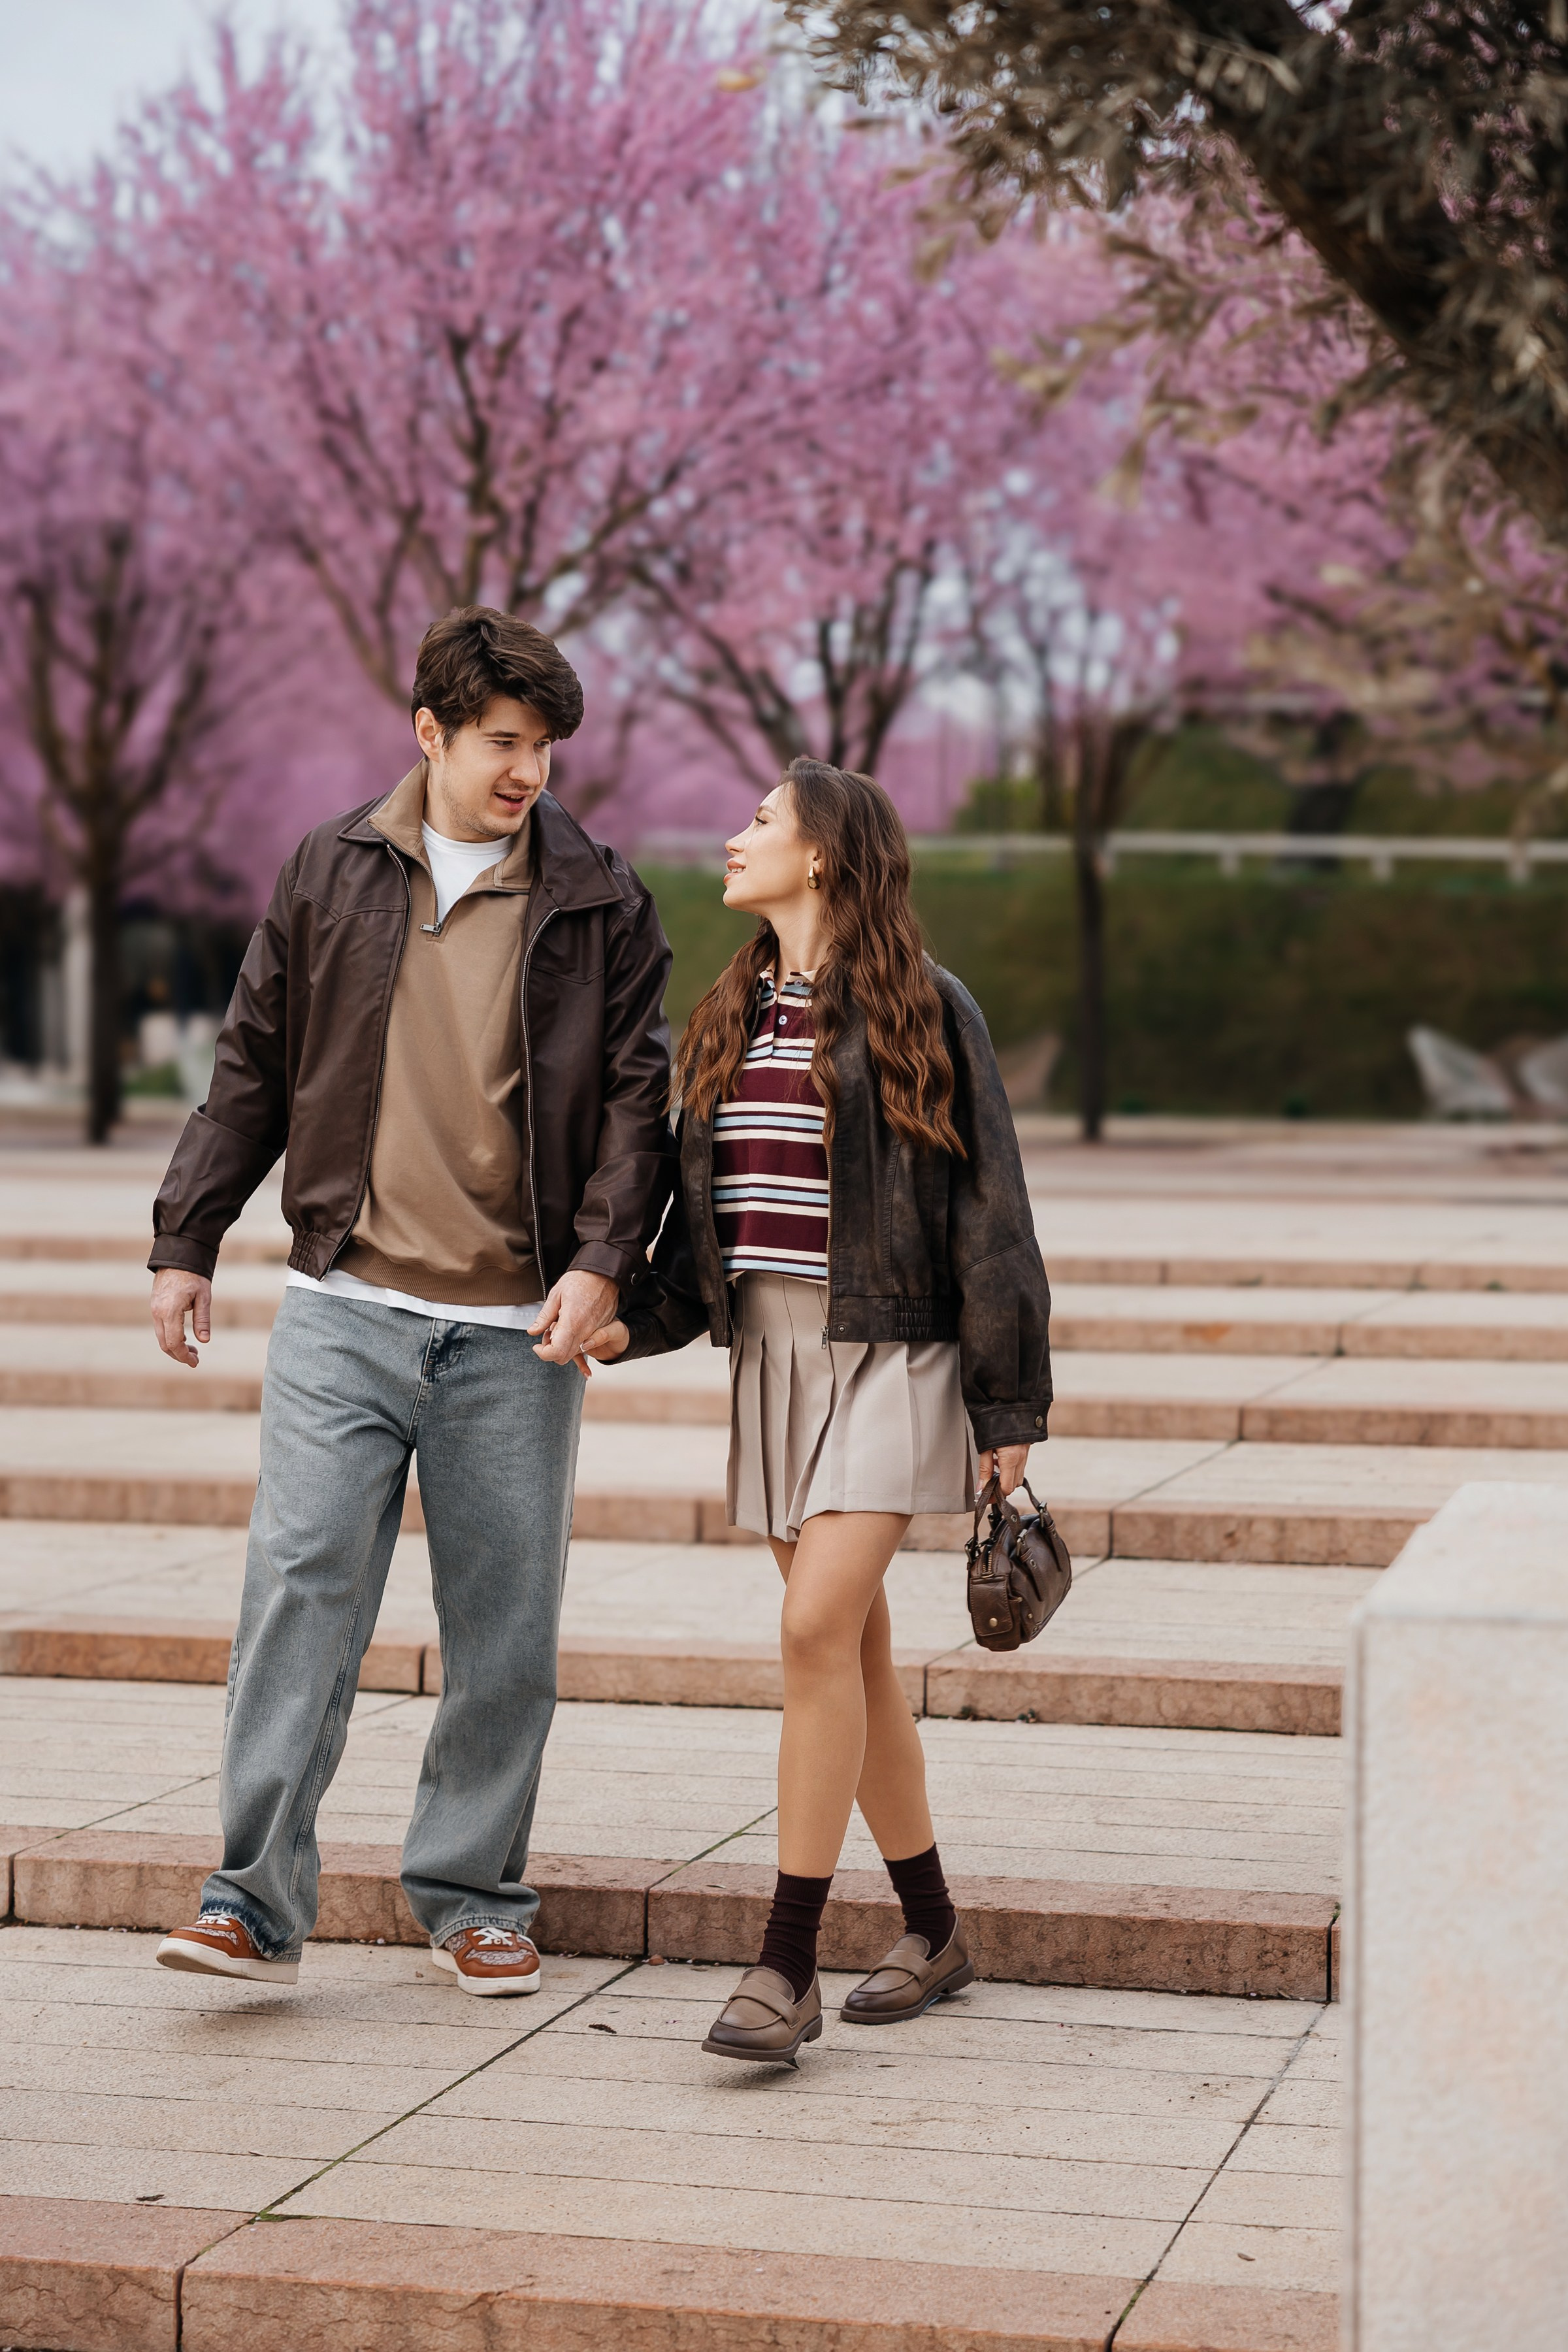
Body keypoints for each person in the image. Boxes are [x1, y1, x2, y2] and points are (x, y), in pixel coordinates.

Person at [145, 605, 673, 1995]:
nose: (529, 774)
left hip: (517, 1329)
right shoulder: (332, 869)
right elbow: (255, 1057)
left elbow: (636, 1102)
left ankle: (475, 1893)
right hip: (346, 1306)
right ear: (430, 733)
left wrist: (603, 1258)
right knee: (299, 1591)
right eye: (504, 742)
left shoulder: (601, 896)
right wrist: (186, 1233)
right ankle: (251, 1901)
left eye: (546, 748)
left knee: (503, 1622)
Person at [585, 757, 1051, 2061]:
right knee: (852, 1659)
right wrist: (632, 1322)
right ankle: (935, 1926)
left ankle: (783, 1965)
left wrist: (1011, 1402)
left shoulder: (924, 1009)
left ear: (828, 856)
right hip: (774, 1365)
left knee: (808, 1631)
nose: (733, 841)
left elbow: (992, 1212)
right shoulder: (730, 1011)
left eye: (760, 824)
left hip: (897, 1356)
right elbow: (705, 1229)